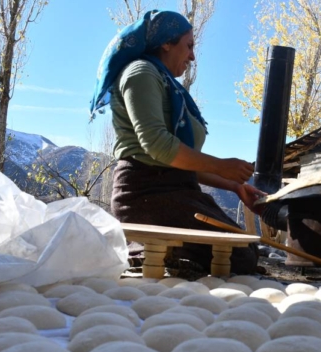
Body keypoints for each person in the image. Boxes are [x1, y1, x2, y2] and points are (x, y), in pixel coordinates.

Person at [89, 10, 264, 274]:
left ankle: (162, 254)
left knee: (246, 249)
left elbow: (181, 162)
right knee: (238, 258)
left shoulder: (165, 82)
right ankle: (146, 252)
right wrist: (220, 165)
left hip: (175, 191)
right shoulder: (141, 73)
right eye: (189, 45)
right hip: (146, 195)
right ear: (166, 43)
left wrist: (234, 186)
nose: (193, 56)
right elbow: (157, 145)